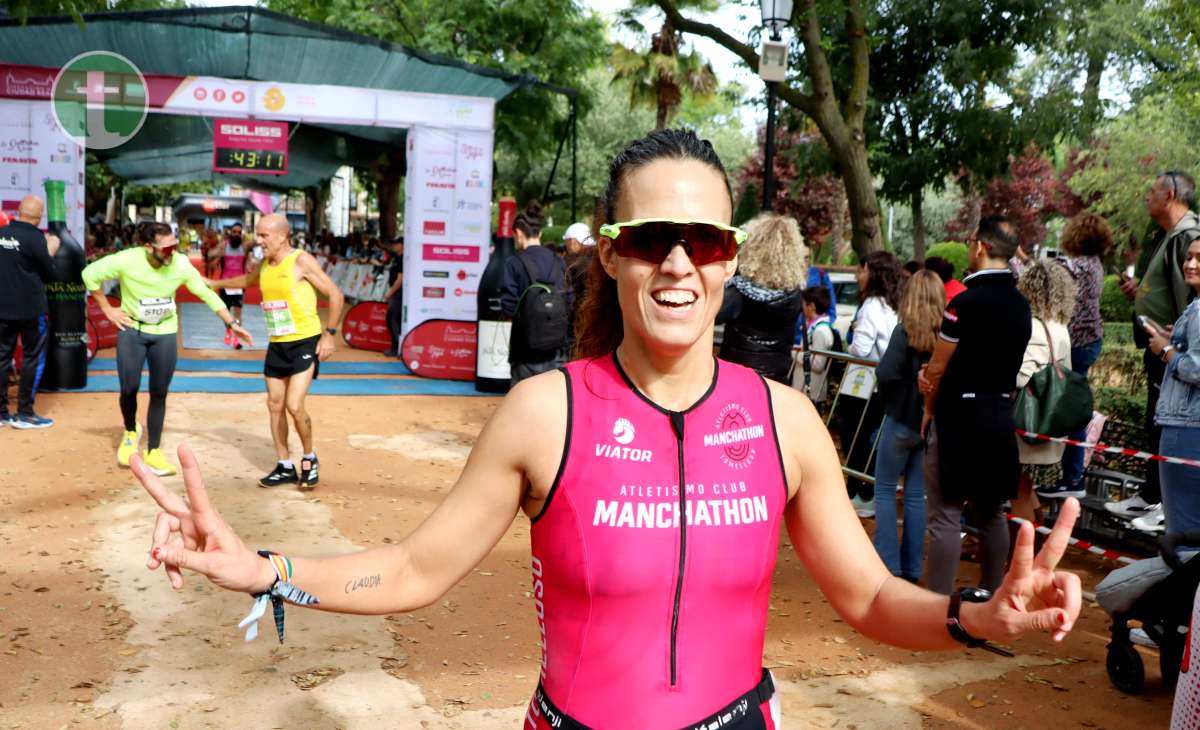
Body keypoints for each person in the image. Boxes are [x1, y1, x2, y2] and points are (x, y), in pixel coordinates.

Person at [134, 128, 1083, 730]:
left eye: (705, 241)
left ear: (729, 261)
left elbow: (871, 600)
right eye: (651, 239)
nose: (679, 262)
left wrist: (975, 617)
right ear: (614, 256)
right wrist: (269, 571)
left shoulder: (785, 422)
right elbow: (420, 570)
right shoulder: (548, 412)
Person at [82, 222, 253, 475]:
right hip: (133, 331)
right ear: (148, 246)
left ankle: (154, 450)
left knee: (159, 392)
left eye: (175, 246)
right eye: (167, 248)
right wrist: (107, 308)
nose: (172, 251)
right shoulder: (127, 259)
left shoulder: (180, 263)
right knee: (128, 388)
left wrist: (231, 323)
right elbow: (89, 275)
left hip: (164, 332)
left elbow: (206, 293)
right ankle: (131, 430)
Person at [920, 216, 1032, 595]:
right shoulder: (1022, 306)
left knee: (946, 515)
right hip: (1000, 416)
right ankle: (991, 593)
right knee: (991, 514)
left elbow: (938, 364)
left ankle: (934, 602)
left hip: (957, 420)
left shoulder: (964, 303)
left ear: (980, 247)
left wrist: (928, 400)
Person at [207, 214, 344, 490]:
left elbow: (335, 294)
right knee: (274, 405)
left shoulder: (301, 260)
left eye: (263, 236)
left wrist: (329, 336)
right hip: (278, 342)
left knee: (295, 406)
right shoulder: (264, 264)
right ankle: (284, 466)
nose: (258, 241)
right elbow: (247, 281)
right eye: (257, 235)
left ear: (282, 236)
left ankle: (309, 459)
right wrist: (215, 284)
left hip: (304, 341)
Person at [1112, 171, 1200, 532]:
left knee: (1166, 426)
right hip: (1165, 348)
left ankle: (1163, 503)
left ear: (1170, 194)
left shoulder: (1187, 235)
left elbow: (1192, 295)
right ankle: (1152, 496)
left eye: (1152, 191)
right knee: (1155, 422)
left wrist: (1173, 346)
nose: (1146, 197)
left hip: (1176, 357)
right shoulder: (1170, 236)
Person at [872, 270, 944, 583]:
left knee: (885, 491)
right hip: (928, 425)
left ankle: (888, 563)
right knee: (916, 498)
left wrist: (895, 399)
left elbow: (885, 372)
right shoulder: (947, 336)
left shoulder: (904, 332)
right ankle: (912, 568)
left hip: (901, 419)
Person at [1040, 213, 1111, 499]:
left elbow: (1040, 274)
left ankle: (1072, 478)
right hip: (1091, 341)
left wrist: (1015, 256)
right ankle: (1070, 476)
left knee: (1071, 413)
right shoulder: (1095, 265)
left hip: (1077, 344)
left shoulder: (1076, 265)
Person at [1143, 236, 1200, 536]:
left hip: (1187, 427)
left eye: (1199, 258)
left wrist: (1165, 351)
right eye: (1188, 257)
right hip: (1187, 424)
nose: (1190, 264)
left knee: (1183, 530)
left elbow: (1197, 367)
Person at [841, 250, 902, 517]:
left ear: (872, 272)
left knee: (856, 439)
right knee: (870, 439)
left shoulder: (871, 306)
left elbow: (861, 348)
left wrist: (852, 337)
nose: (858, 275)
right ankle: (864, 493)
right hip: (883, 386)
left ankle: (861, 494)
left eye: (862, 270)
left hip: (865, 386)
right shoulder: (894, 304)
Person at [1016, 262, 1077, 516]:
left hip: (1027, 425)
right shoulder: (1060, 327)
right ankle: (1037, 539)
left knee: (1018, 492)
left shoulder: (1035, 327)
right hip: (1049, 423)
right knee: (1026, 490)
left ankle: (1023, 552)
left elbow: (1020, 377)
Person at [718, 213, 807, 383]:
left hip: (736, 380)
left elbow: (706, 318)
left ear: (752, 249)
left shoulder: (738, 293)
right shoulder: (793, 297)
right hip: (774, 383)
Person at [0, 195, 61, 429]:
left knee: (2, 358)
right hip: (30, 310)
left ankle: (2, 413)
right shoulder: (36, 238)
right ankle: (25, 413)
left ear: (19, 211)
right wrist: (51, 249)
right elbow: (51, 274)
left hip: (2, 308)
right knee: (32, 357)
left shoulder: (2, 233)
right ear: (39, 218)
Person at [500, 201, 571, 385]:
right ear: (540, 233)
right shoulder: (559, 261)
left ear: (518, 233)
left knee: (522, 408)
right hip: (557, 351)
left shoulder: (514, 263)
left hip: (524, 352)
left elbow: (508, 306)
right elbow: (570, 300)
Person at [207, 226, 254, 349]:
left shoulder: (244, 246)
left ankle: (236, 339)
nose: (236, 234)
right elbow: (210, 254)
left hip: (239, 284)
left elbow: (257, 243)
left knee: (238, 314)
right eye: (234, 232)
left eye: (239, 232)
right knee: (226, 313)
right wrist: (218, 253)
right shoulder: (224, 246)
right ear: (230, 233)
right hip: (225, 284)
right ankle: (229, 331)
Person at [794, 286, 836, 404]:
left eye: (803, 304)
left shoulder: (820, 331)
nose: (802, 308)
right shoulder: (813, 327)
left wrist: (794, 354)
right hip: (804, 390)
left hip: (811, 391)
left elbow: (818, 364)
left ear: (811, 306)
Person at [562, 223, 594, 353]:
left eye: (567, 242)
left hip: (579, 324)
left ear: (574, 242)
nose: (566, 246)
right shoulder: (601, 257)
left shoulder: (574, 263)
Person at [381, 237, 404, 358]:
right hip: (397, 292)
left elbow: (400, 279)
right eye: (393, 243)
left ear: (402, 245)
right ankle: (398, 347)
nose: (394, 245)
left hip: (399, 293)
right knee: (396, 320)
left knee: (391, 319)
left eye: (396, 243)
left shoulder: (402, 258)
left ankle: (397, 348)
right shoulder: (397, 257)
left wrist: (390, 292)